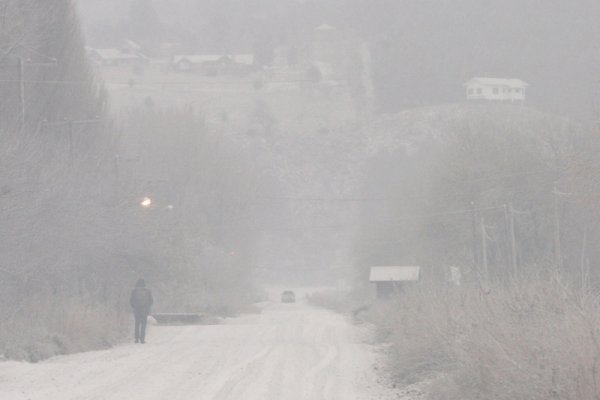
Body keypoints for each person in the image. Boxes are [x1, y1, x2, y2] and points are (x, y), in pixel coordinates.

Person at [129, 279, 153, 344]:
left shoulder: (134, 291)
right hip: (144, 310)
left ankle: (136, 339)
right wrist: (147, 306)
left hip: (137, 310)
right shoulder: (147, 291)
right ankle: (142, 339)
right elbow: (151, 301)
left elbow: (131, 301)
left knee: (137, 324)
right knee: (143, 324)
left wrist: (134, 306)